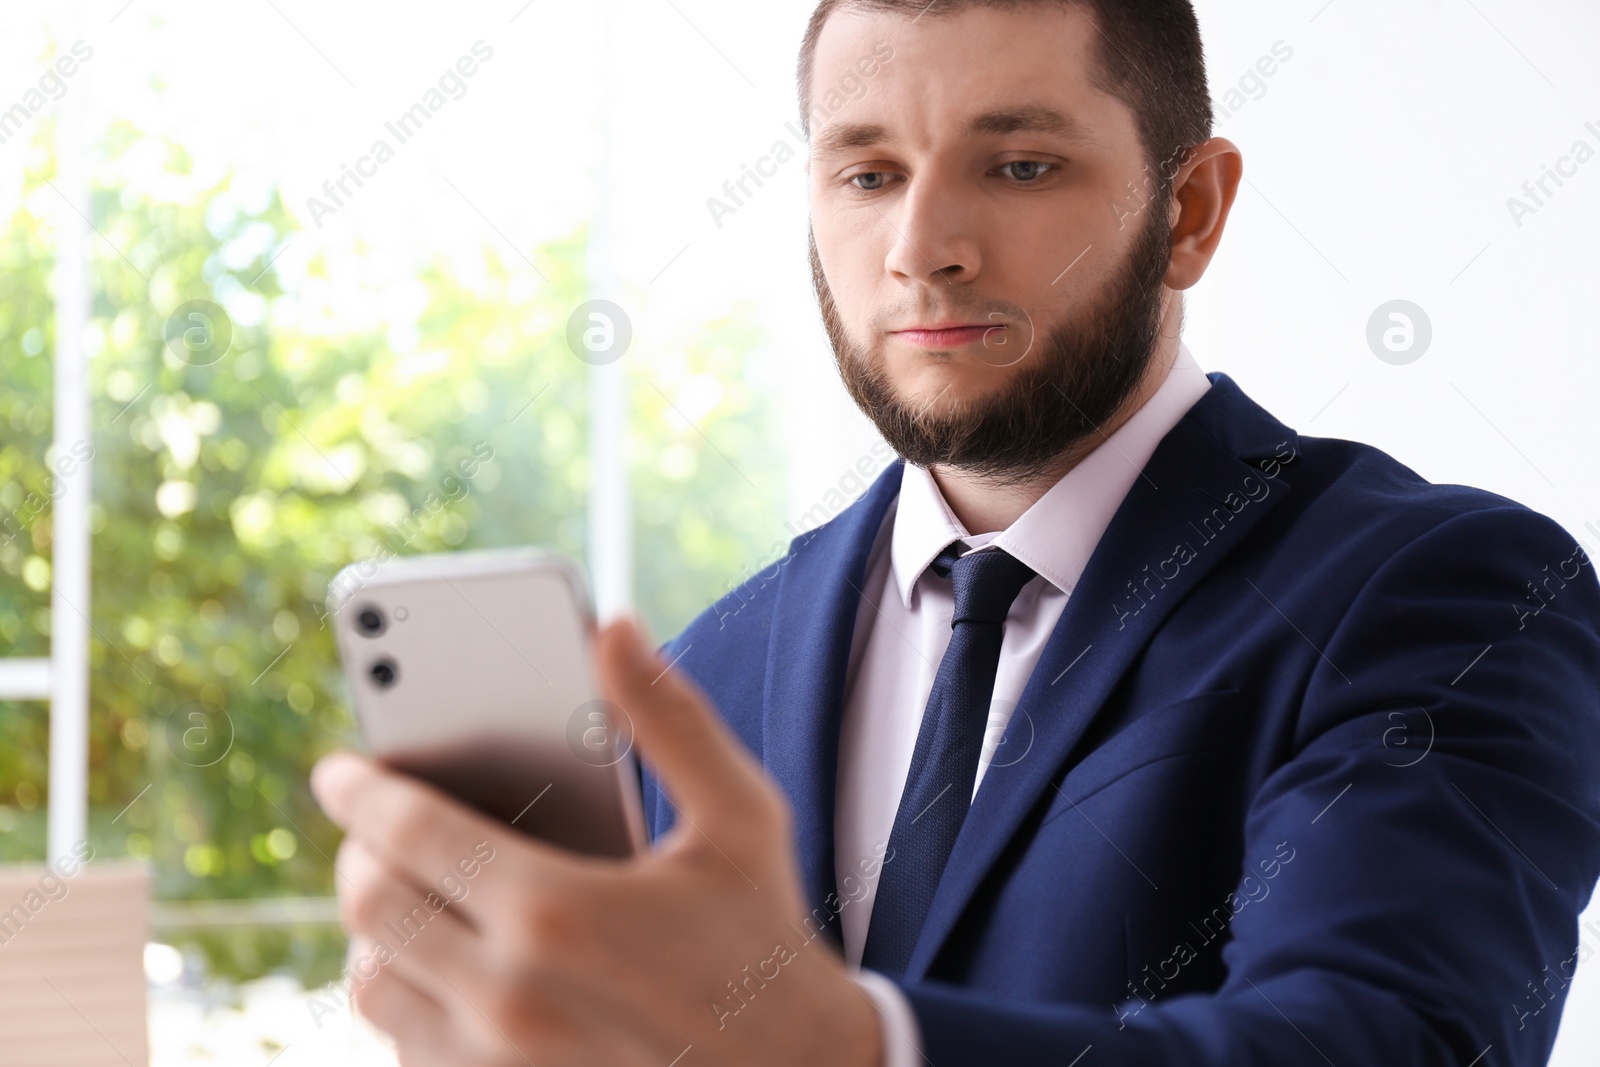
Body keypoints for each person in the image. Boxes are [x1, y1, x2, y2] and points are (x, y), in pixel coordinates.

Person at [310, 2, 1600, 1064]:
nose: (923, 249)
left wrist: (841, 1044)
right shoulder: (715, 668)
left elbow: (1391, 1043)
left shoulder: (1447, 594)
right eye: (867, 174)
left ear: (1193, 210)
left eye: (1021, 164)